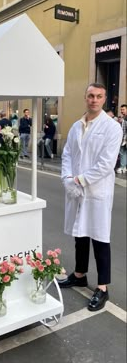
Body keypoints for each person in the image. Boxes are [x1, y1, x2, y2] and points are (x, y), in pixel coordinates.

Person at [59, 83, 122, 312]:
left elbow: (106, 164)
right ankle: (79, 275)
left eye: (98, 96)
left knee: (99, 238)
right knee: (80, 234)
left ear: (104, 99)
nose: (94, 100)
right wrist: (67, 176)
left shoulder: (112, 128)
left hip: (96, 191)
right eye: (90, 96)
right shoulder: (76, 126)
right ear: (85, 98)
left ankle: (103, 288)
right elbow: (67, 153)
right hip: (77, 189)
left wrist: (80, 180)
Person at [116, 104, 127, 174]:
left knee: (122, 152)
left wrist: (125, 139)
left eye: (123, 109)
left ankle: (123, 167)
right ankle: (123, 167)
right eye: (121, 109)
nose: (121, 111)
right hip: (123, 138)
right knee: (123, 152)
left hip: (125, 139)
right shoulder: (124, 118)